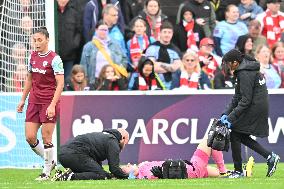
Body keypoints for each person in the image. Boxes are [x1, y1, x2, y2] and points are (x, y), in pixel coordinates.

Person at [220, 49, 280, 178]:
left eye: (228, 63)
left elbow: (245, 100)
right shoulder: (244, 68)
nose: (227, 66)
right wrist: (226, 113)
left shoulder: (244, 73)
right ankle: (270, 157)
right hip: (257, 105)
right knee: (239, 135)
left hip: (254, 107)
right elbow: (237, 97)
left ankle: (238, 171)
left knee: (235, 133)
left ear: (235, 62)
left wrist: (230, 118)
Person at [16, 27, 65, 181]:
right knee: (30, 137)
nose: (36, 43)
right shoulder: (32, 57)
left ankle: (46, 172)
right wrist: (23, 99)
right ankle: (52, 163)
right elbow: (29, 79)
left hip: (48, 102)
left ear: (47, 40)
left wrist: (52, 105)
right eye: (34, 40)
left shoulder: (55, 59)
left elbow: (61, 84)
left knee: (46, 138)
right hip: (34, 101)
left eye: (39, 40)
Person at [121, 138, 254, 179]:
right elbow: (155, 176)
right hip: (191, 169)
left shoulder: (142, 167)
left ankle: (244, 173)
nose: (127, 163)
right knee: (211, 140)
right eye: (126, 167)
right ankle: (224, 170)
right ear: (130, 174)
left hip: (189, 167)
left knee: (216, 173)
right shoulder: (143, 175)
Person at [52, 128, 130, 181]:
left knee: (100, 173)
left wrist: (108, 175)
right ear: (123, 138)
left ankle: (62, 174)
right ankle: (69, 176)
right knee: (101, 175)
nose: (124, 146)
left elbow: (96, 165)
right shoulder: (113, 141)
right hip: (74, 154)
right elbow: (114, 168)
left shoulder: (104, 137)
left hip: (64, 155)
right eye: (126, 143)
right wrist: (127, 176)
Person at [145, 21, 182, 90]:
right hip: (155, 85)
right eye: (164, 32)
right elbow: (150, 67)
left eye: (169, 32)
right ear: (160, 33)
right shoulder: (151, 47)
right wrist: (171, 67)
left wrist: (159, 64)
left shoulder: (176, 50)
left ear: (172, 34)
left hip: (173, 86)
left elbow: (177, 68)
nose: (167, 35)